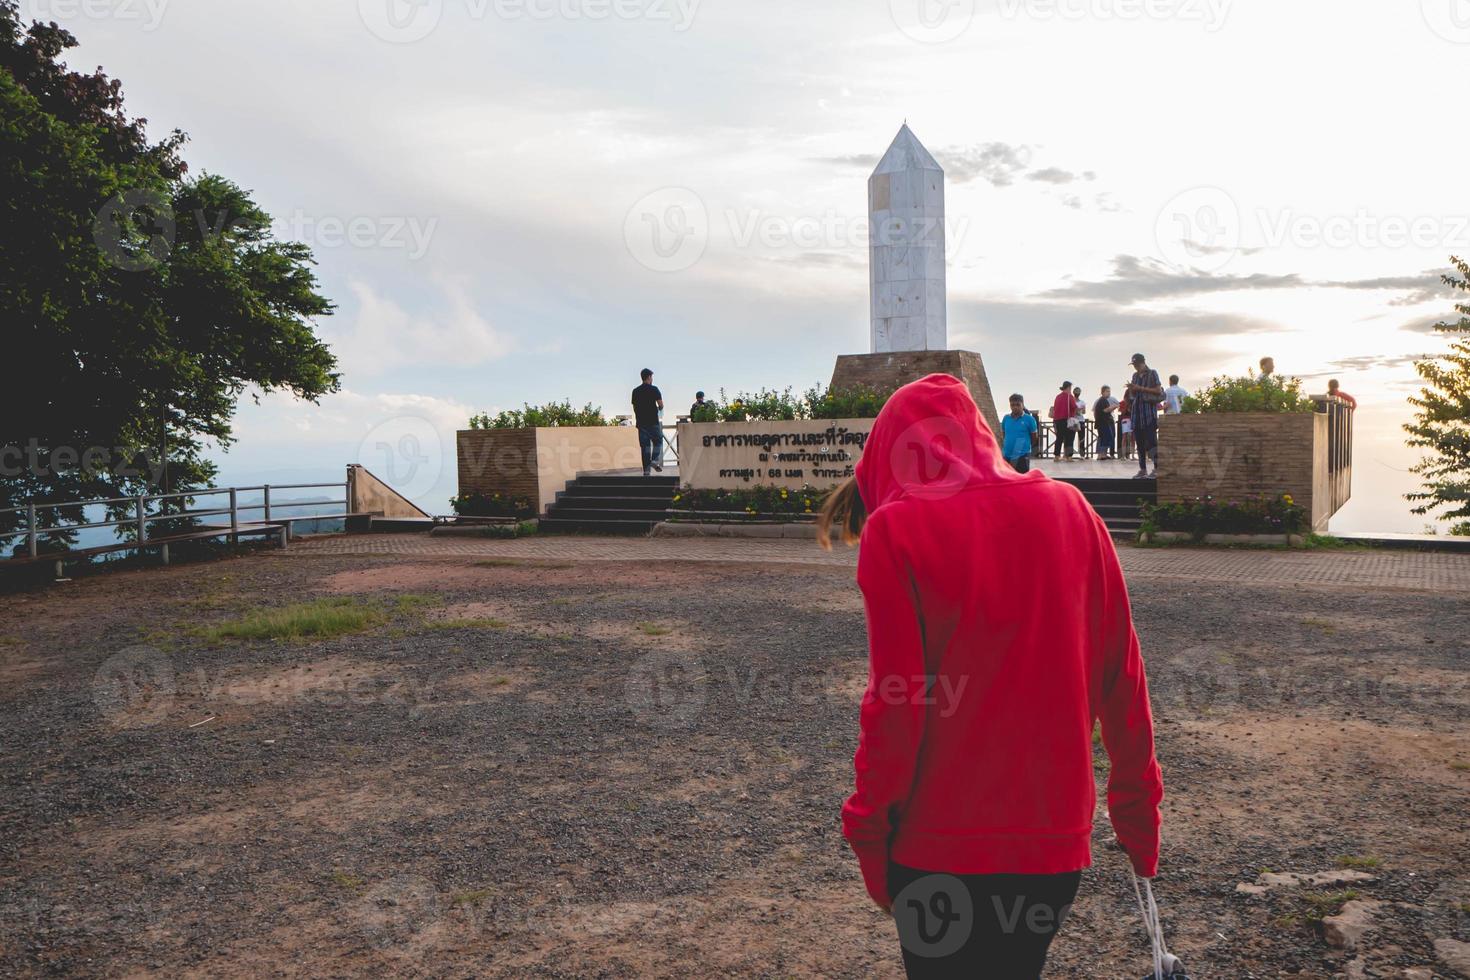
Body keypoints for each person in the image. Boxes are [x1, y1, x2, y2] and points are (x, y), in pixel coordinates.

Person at [816, 374, 1163, 978]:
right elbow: (1122, 675)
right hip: (1051, 852)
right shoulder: (1071, 510)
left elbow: (898, 703)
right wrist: (1138, 815)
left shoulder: (896, 531)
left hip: (937, 851)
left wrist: (868, 827)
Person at [1126, 353, 1165, 479]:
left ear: (1143, 362)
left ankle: (1157, 468)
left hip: (1148, 413)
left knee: (1152, 442)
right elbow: (1133, 395)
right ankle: (1142, 469)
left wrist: (1140, 388)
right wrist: (1131, 389)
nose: (1136, 367)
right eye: (1134, 365)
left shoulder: (1152, 373)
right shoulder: (1135, 376)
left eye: (1137, 364)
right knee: (1140, 443)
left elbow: (1158, 390)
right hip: (1136, 413)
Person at [631, 368, 664, 476]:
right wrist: (659, 409)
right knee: (658, 440)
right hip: (653, 422)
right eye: (651, 377)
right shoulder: (654, 389)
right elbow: (661, 404)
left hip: (641, 423)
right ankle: (654, 460)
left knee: (645, 447)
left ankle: (646, 471)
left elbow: (635, 408)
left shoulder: (635, 391)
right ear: (649, 377)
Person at [1000, 394, 1038, 473]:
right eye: (1012, 405)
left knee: (1022, 480)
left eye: (1018, 404)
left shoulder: (1029, 419)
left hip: (1022, 455)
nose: (1015, 407)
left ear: (1022, 405)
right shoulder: (1006, 418)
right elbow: (1004, 434)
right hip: (1007, 455)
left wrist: (1025, 447)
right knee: (1008, 480)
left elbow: (1034, 437)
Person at [1049, 382, 1077, 460]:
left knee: (1059, 438)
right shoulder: (1070, 396)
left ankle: (1057, 456)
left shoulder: (1057, 397)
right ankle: (1069, 456)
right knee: (1070, 438)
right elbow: (1074, 407)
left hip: (1057, 420)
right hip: (1068, 420)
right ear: (1068, 388)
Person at [1093, 385, 1119, 459]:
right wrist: (1113, 407)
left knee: (1104, 437)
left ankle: (1102, 454)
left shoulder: (1103, 400)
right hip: (1103, 422)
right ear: (1102, 392)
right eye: (1107, 391)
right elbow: (1105, 410)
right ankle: (1102, 454)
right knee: (1106, 437)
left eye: (1109, 391)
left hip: (1102, 422)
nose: (1109, 393)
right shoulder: (1102, 400)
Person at [1072, 385, 1088, 457]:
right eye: (1076, 391)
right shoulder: (1071, 401)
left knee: (1082, 438)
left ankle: (1082, 454)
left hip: (1081, 420)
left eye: (1078, 391)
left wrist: (1079, 410)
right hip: (1073, 421)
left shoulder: (1082, 402)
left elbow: (1084, 412)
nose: (1077, 393)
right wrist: (1077, 410)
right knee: (1071, 437)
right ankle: (1069, 454)